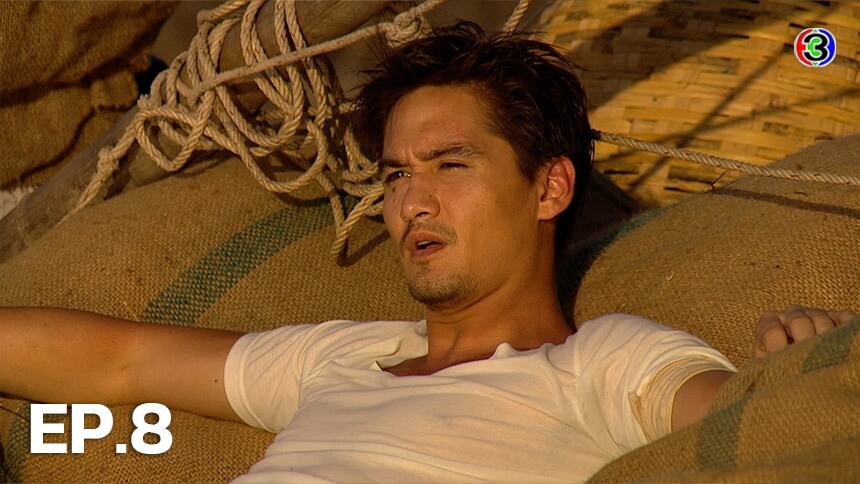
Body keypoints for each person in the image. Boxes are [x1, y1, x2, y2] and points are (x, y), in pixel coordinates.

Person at [0, 22, 855, 482]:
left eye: (451, 164)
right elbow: (123, 364)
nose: (412, 199)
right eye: (397, 173)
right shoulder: (346, 356)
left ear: (550, 188)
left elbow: (739, 422)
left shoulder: (599, 362)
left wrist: (802, 356)